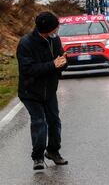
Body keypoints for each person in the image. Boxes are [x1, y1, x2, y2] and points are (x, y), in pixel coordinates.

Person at [16, 12, 68, 170]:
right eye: (55, 27)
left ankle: (53, 151)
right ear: (47, 29)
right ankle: (37, 157)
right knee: (39, 122)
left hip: (50, 90)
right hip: (30, 91)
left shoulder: (55, 40)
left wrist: (64, 62)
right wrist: (53, 64)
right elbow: (28, 69)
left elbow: (60, 61)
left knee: (54, 121)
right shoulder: (26, 43)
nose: (58, 29)